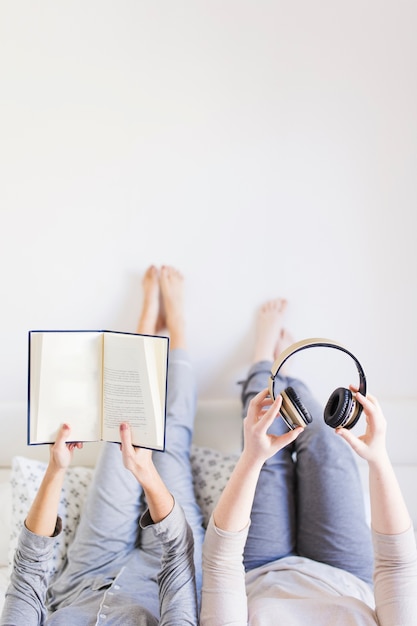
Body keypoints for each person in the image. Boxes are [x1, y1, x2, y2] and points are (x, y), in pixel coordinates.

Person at [1, 265, 205, 626]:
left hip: (86, 576)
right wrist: (145, 474)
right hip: (160, 581)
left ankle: (144, 332)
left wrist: (57, 467)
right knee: (169, 438)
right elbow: (177, 554)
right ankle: (179, 329)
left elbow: (29, 571)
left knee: (120, 435)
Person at [201, 298, 417, 625]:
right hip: (345, 574)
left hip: (261, 569)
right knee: (328, 442)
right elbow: (396, 566)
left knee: (266, 445)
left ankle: (264, 364)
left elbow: (221, 562)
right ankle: (287, 375)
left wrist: (251, 458)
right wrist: (378, 458)